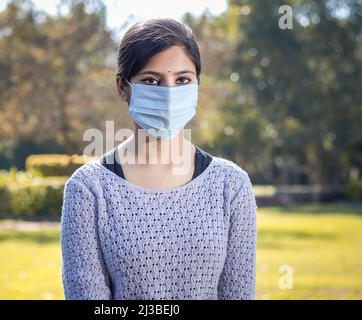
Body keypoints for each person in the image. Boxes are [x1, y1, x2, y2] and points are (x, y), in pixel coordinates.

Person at [61, 18, 258, 300]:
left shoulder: (231, 185)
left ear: (197, 85)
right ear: (122, 87)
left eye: (182, 80)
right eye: (151, 80)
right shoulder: (89, 190)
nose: (169, 94)